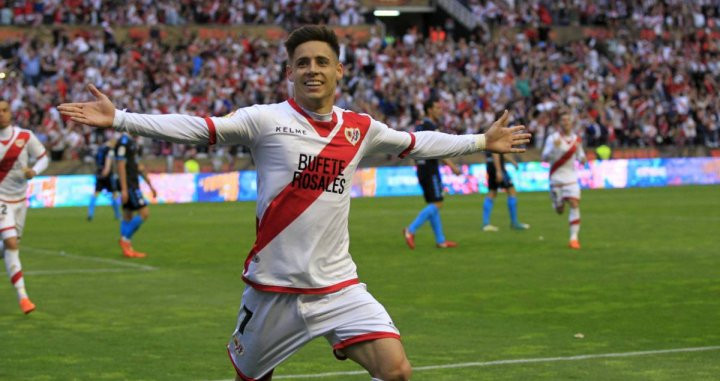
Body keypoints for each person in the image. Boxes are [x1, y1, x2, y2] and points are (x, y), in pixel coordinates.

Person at [58, 25, 530, 381]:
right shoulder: (264, 120)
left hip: (339, 288)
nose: (312, 70)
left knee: (398, 371)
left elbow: (417, 142)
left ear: (339, 70)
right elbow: (197, 127)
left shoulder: (360, 128)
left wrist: (480, 140)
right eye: (302, 62)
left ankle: (344, 337)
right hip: (273, 292)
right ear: (289, 72)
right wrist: (120, 118)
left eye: (322, 61)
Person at [0, 99, 49, 314]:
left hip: (20, 201)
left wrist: (35, 171)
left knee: (9, 247)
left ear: (11, 113)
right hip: (1, 200)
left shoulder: (25, 136)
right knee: (11, 243)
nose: (1, 114)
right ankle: (23, 297)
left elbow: (43, 158)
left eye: (4, 110)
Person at [403, 98, 461, 249]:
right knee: (438, 203)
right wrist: (452, 166)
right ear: (429, 110)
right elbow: (438, 150)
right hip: (430, 169)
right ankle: (410, 230)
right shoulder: (430, 126)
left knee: (433, 203)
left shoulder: (419, 126)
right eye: (436, 107)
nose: (440, 110)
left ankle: (440, 240)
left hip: (422, 168)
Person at [541, 111, 587, 249]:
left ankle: (574, 239)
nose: (565, 123)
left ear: (571, 123)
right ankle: (557, 203)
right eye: (563, 120)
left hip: (571, 178)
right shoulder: (553, 138)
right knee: (560, 210)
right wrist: (554, 149)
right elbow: (544, 157)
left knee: (574, 204)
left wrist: (582, 159)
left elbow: (580, 154)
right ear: (559, 123)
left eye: (568, 120)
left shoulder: (576, 140)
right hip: (556, 178)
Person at [115, 133, 157, 258]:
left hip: (132, 183)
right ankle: (125, 240)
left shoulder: (133, 143)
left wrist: (150, 185)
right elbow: (120, 165)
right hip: (129, 184)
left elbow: (138, 166)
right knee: (144, 213)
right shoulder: (123, 142)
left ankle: (127, 249)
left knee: (127, 215)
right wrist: (124, 189)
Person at [481, 150, 530, 232]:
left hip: (490, 165)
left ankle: (486, 224)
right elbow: (495, 152)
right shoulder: (497, 137)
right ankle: (514, 223)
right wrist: (499, 171)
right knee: (512, 191)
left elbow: (501, 153)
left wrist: (513, 162)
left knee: (492, 193)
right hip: (497, 166)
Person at [87, 137, 121, 221]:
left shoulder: (100, 149)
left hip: (99, 173)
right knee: (114, 194)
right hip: (107, 174)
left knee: (95, 193)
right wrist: (107, 171)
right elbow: (108, 161)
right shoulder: (110, 150)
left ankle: (90, 213)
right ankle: (118, 215)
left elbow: (96, 160)